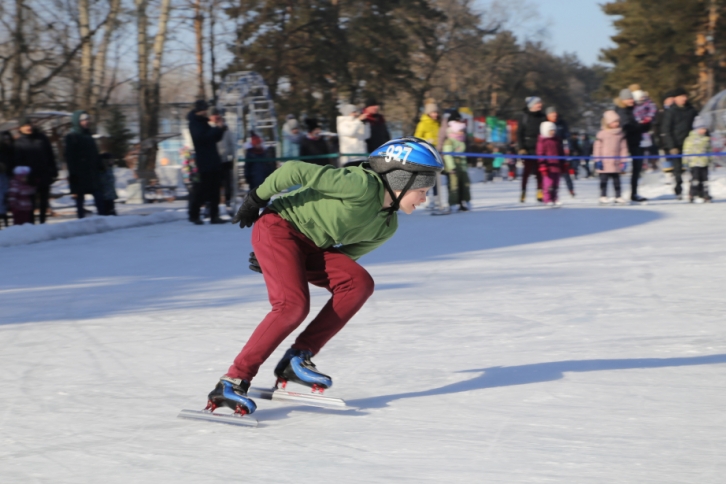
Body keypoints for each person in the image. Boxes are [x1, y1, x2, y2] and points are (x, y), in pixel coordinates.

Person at [203, 138, 444, 417]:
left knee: (358, 283)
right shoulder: (360, 184)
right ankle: (232, 381)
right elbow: (293, 170)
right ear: (401, 180)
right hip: (278, 227)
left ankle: (296, 358)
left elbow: (343, 257)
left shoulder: (386, 226)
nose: (425, 199)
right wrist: (255, 199)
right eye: (423, 191)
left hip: (310, 247)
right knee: (291, 308)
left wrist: (290, 264)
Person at [188, 100, 228, 225]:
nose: (206, 112)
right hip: (204, 161)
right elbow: (203, 138)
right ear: (200, 110)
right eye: (205, 109)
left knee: (215, 189)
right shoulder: (194, 123)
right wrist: (217, 129)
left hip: (213, 159)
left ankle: (214, 215)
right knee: (202, 189)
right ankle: (194, 215)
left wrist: (221, 129)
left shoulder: (203, 122)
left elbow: (214, 138)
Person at [14, 118, 58, 223]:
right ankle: (32, 226)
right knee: (31, 204)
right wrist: (23, 176)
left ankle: (43, 223)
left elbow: (50, 154)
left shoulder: (41, 138)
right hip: (30, 177)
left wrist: (53, 170)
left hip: (44, 174)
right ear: (20, 128)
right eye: (25, 126)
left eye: (29, 124)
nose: (28, 127)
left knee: (44, 202)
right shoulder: (19, 143)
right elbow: (18, 162)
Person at [64, 111, 104, 218]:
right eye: (83, 120)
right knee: (80, 199)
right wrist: (72, 174)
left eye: (87, 119)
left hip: (92, 173)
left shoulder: (89, 136)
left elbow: (95, 152)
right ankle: (81, 220)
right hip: (79, 174)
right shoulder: (71, 137)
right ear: (77, 122)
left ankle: (102, 218)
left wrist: (100, 164)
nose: (86, 122)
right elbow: (69, 157)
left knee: (98, 195)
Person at [663, 87, 698, 200]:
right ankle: (678, 189)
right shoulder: (670, 112)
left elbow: (699, 126)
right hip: (676, 145)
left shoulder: (692, 110)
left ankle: (693, 190)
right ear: (675, 98)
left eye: (685, 96)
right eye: (681, 96)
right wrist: (671, 146)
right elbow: (666, 130)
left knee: (695, 169)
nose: (684, 98)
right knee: (678, 170)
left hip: (691, 145)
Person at [614, 88, 649, 202]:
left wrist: (646, 125)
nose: (631, 100)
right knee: (617, 168)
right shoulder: (621, 111)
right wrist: (640, 127)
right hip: (624, 142)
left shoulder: (633, 109)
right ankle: (617, 194)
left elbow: (636, 125)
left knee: (637, 168)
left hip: (636, 141)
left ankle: (634, 193)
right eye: (629, 99)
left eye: (632, 98)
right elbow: (626, 126)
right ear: (623, 99)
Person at [593, 111, 629, 204]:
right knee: (603, 180)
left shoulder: (620, 134)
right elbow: (597, 147)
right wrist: (597, 160)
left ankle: (618, 195)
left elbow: (623, 148)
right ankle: (603, 195)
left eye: (617, 121)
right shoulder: (602, 134)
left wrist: (623, 161)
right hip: (604, 162)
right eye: (614, 122)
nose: (616, 123)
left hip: (615, 162)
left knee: (616, 180)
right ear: (608, 123)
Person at [517, 96, 546, 202]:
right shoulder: (524, 117)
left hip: (540, 147)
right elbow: (519, 133)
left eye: (540, 103)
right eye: (538, 103)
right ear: (532, 105)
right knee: (526, 172)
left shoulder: (543, 116)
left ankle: (540, 192)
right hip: (527, 148)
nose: (540, 105)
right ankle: (523, 191)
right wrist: (521, 148)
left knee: (540, 172)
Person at [442, 119, 471, 211]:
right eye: (460, 130)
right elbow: (447, 155)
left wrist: (465, 165)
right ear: (454, 130)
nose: (462, 133)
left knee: (466, 184)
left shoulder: (462, 141)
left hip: (462, 166)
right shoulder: (449, 141)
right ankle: (453, 203)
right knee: (454, 186)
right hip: (453, 167)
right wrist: (451, 167)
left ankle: (466, 202)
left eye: (463, 131)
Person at [545, 107, 574, 197]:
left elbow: (567, 136)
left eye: (555, 113)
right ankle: (548, 190)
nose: (554, 114)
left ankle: (571, 189)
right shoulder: (545, 124)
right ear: (548, 115)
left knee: (565, 171)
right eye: (552, 113)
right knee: (550, 172)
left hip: (561, 151)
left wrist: (568, 148)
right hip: (549, 152)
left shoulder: (562, 123)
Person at [682, 116, 712, 203]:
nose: (704, 130)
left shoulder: (706, 139)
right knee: (695, 179)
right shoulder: (690, 139)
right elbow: (686, 150)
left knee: (705, 180)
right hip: (694, 163)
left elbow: (709, 150)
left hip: (704, 162)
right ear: (697, 129)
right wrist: (685, 161)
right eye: (702, 128)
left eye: (704, 128)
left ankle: (705, 194)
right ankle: (692, 193)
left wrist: (710, 159)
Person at [212, 107, 237, 208]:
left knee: (227, 182)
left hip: (225, 160)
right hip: (215, 159)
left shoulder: (226, 130)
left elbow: (231, 144)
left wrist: (231, 155)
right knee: (215, 183)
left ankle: (228, 200)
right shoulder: (212, 129)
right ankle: (214, 203)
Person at [536, 121, 564, 207]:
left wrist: (563, 162)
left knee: (556, 184)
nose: (553, 132)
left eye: (554, 130)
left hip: (557, 165)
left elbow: (561, 152)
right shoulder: (542, 141)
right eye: (550, 130)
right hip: (548, 166)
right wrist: (543, 164)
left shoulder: (557, 140)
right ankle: (547, 199)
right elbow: (540, 153)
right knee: (548, 184)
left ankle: (555, 198)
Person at [98, 139, 117, 215]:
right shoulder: (103, 170)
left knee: (110, 204)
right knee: (108, 205)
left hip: (109, 193)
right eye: (110, 160)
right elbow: (105, 181)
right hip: (106, 194)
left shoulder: (109, 169)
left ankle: (111, 212)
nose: (112, 161)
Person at [0, 131, 15, 228]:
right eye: (5, 139)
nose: (7, 141)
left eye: (8, 139)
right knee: (2, 198)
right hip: (3, 175)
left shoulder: (13, 148)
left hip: (11, 175)